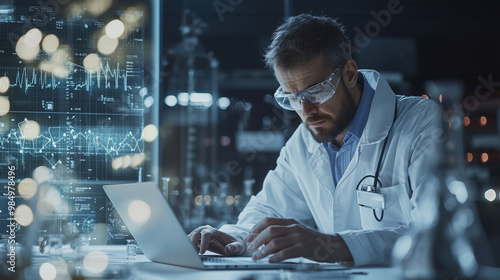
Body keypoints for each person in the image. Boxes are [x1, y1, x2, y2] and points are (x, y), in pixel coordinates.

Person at [188, 14, 440, 266]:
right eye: (293, 98)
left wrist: (333, 246)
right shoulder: (302, 142)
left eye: (316, 92)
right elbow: (269, 211)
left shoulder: (421, 122)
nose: (306, 111)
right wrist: (231, 237)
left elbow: (434, 234)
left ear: (350, 73)